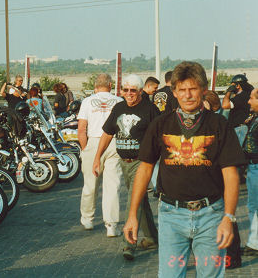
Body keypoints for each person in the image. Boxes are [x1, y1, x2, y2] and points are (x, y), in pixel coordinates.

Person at [123, 61, 246, 277]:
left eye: (193, 89)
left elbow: (230, 174)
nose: (188, 95)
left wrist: (229, 217)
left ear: (203, 90)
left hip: (211, 216)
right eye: (182, 90)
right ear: (174, 92)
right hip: (171, 216)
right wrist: (133, 214)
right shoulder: (161, 124)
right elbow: (144, 169)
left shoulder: (219, 125)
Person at [92, 74, 160, 261]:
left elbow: (160, 134)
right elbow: (107, 133)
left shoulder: (150, 109)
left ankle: (129, 243)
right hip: (124, 162)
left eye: (133, 91)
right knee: (140, 201)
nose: (129, 94)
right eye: (125, 90)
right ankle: (153, 238)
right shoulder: (119, 107)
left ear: (140, 91)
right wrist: (98, 157)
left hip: (142, 163)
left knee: (133, 201)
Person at [78, 73, 123, 237]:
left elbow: (82, 128)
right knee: (112, 185)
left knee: (90, 184)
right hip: (113, 142)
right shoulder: (119, 101)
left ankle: (88, 218)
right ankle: (111, 224)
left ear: (95, 85)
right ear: (110, 85)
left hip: (94, 141)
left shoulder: (87, 101)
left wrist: (85, 149)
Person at [242, 89, 258, 257]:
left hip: (256, 167)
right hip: (252, 167)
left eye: (252, 98)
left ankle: (255, 243)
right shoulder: (254, 119)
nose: (248, 101)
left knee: (255, 206)